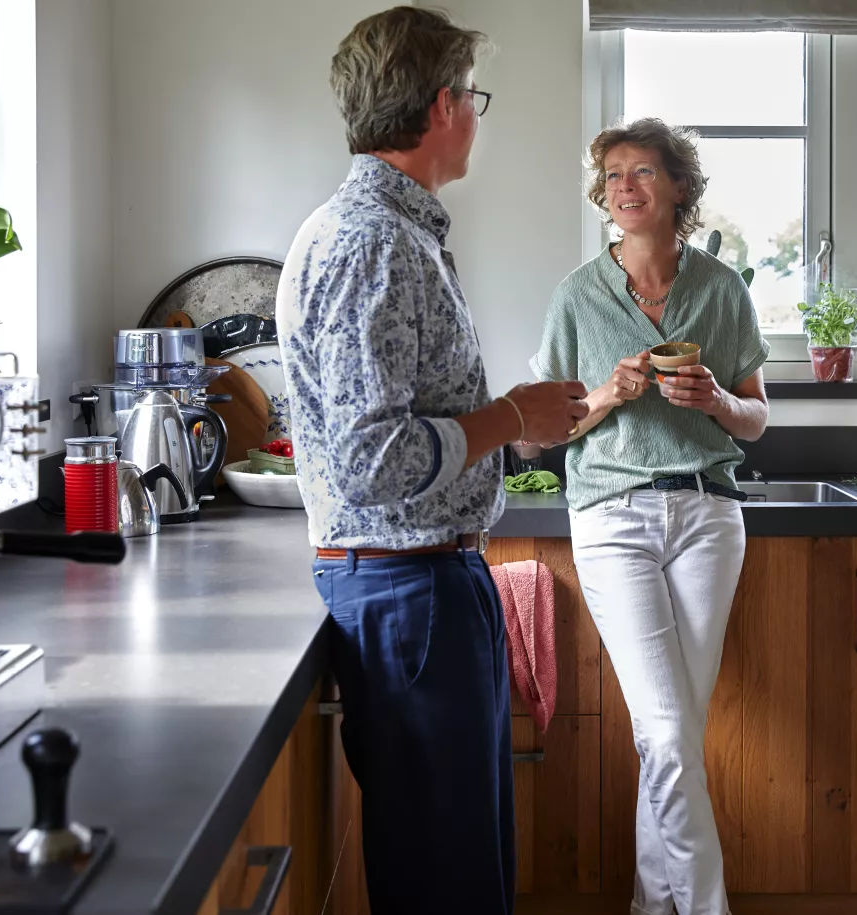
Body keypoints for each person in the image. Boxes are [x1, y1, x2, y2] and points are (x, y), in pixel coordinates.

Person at [275, 7, 589, 913]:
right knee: (448, 882)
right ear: (443, 105)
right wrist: (510, 416)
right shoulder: (372, 242)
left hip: (425, 584)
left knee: (461, 869)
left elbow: (402, 428)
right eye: (474, 98)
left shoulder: (391, 232)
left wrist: (513, 426)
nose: (477, 118)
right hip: (408, 592)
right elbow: (371, 459)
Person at [519, 117, 770, 915]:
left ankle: (651, 904)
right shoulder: (576, 297)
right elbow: (536, 434)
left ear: (679, 188)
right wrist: (607, 394)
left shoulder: (722, 290)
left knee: (673, 735)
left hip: (708, 517)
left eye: (644, 172)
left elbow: (757, 417)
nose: (625, 186)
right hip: (613, 518)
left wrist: (716, 398)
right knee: (665, 733)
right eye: (614, 175)